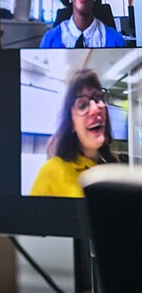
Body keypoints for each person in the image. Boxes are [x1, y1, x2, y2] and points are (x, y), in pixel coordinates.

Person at [30, 68, 118, 197]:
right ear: (71, 124)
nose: (95, 109)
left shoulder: (114, 169)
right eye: (82, 105)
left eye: (98, 98)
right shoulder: (51, 173)